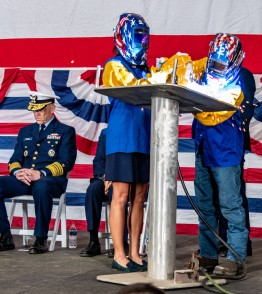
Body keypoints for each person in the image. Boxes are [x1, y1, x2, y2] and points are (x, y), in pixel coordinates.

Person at [191, 33, 249, 276]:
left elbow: (212, 112)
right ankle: (208, 255)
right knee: (204, 206)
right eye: (214, 63)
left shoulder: (240, 81)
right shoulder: (202, 70)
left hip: (226, 152)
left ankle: (235, 257)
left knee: (230, 206)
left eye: (221, 64)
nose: (216, 68)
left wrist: (194, 98)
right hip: (203, 148)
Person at [102, 12, 151, 272]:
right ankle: (119, 253)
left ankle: (135, 251)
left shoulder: (147, 68)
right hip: (122, 139)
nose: (142, 41)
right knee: (120, 196)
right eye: (137, 35)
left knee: (140, 197)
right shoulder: (114, 65)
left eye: (145, 36)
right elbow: (133, 87)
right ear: (123, 36)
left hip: (144, 139)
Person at [0, 91, 77, 254]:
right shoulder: (25, 131)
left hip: (51, 181)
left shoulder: (65, 131)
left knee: (41, 186)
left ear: (52, 108)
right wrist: (17, 172)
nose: (37, 114)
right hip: (25, 179)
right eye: (34, 110)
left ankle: (41, 239)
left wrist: (41, 173)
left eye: (41, 109)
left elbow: (66, 162)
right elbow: (14, 159)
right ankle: (5, 236)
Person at [216, 67, 255, 258]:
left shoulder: (243, 75)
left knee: (233, 195)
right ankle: (221, 241)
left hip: (231, 142)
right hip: (211, 143)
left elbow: (245, 110)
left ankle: (237, 244)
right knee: (217, 195)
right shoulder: (211, 74)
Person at [80, 128, 129, 257]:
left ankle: (122, 243)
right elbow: (99, 160)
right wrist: (104, 177)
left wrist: (115, 178)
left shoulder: (134, 132)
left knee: (116, 192)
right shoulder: (106, 132)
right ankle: (93, 241)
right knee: (93, 190)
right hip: (106, 178)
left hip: (128, 180)